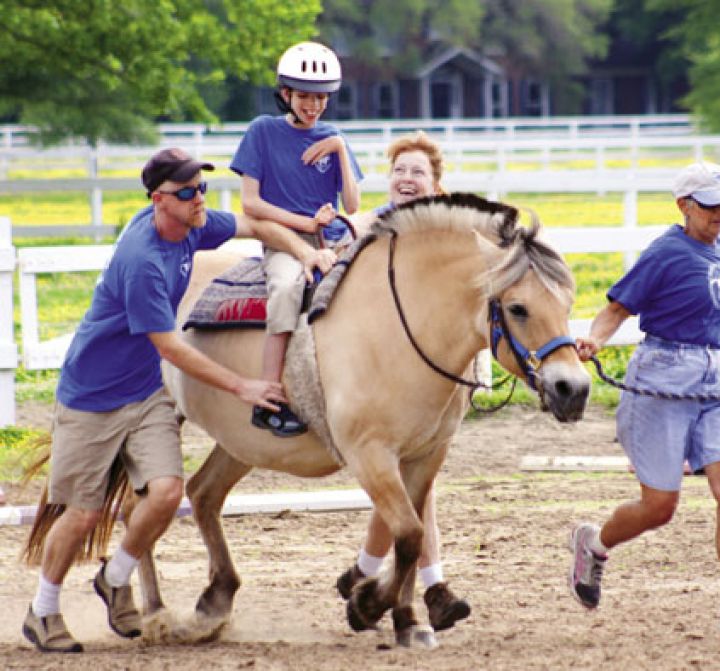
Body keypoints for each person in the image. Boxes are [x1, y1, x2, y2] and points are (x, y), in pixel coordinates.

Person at [21, 147, 310, 654]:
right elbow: (172, 347)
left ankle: (116, 576)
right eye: (186, 192)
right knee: (83, 514)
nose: (199, 197)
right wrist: (243, 387)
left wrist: (306, 252)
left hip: (143, 391)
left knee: (167, 491)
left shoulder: (193, 223)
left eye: (200, 187)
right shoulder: (143, 262)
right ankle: (42, 610)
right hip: (92, 397)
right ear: (159, 200)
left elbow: (257, 227)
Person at [568, 161, 720, 641]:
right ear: (684, 206)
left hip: (717, 377)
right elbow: (617, 307)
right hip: (663, 374)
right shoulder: (666, 253)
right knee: (660, 506)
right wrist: (594, 341)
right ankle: (596, 544)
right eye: (710, 206)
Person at [336, 131, 471, 632]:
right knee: (412, 481)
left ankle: (371, 572)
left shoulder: (442, 237)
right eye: (399, 171)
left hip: (422, 375)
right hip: (377, 373)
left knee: (413, 480)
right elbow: (353, 226)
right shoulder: (375, 223)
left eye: (418, 173)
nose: (406, 179)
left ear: (435, 187)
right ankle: (424, 585)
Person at [230, 41, 362, 437]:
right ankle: (271, 395)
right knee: (287, 287)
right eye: (305, 96)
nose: (313, 105)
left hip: (333, 236)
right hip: (285, 240)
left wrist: (339, 149)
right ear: (285, 94)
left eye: (321, 97)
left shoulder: (332, 136)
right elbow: (251, 203)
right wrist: (304, 222)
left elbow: (352, 205)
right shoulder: (263, 132)